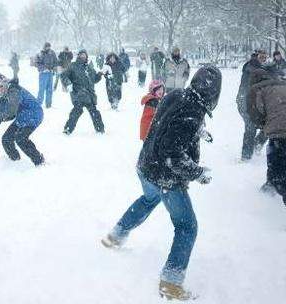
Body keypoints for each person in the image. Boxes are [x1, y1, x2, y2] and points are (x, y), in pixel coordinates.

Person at [101, 66, 222, 301]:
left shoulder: (177, 95)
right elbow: (172, 152)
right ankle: (171, 282)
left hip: (145, 166)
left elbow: (168, 123)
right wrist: (197, 173)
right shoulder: (192, 111)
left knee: (149, 198)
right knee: (187, 227)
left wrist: (199, 131)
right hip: (164, 175)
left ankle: (116, 235)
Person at [247, 69, 286, 231]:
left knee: (278, 170)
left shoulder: (256, 89)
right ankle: (270, 185)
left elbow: (255, 115)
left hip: (281, 132)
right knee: (276, 156)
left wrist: (266, 125)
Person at [0, 74, 45, 166]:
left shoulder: (13, 90)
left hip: (34, 114)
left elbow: (11, 111)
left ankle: (39, 161)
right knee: (6, 139)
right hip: (22, 117)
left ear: (2, 84)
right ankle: (15, 161)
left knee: (20, 138)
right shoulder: (2, 96)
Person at [62, 49, 106, 135]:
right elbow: (64, 76)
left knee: (94, 112)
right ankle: (68, 129)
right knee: (77, 111)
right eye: (81, 55)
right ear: (78, 56)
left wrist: (100, 75)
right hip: (78, 93)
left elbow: (94, 80)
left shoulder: (89, 68)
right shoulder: (73, 66)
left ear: (86, 56)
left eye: (84, 55)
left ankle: (100, 130)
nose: (83, 56)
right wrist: (68, 84)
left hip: (89, 95)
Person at [237, 50, 269, 161]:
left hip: (258, 103)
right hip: (245, 101)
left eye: (265, 56)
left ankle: (257, 143)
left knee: (270, 124)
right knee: (250, 126)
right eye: (261, 56)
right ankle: (246, 156)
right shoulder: (251, 67)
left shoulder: (264, 68)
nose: (264, 58)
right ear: (256, 57)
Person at [35, 42, 58, 108]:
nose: (48, 48)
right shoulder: (41, 54)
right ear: (44, 47)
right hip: (43, 74)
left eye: (49, 47)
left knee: (49, 89)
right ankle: (38, 104)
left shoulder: (52, 53)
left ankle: (48, 104)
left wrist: (54, 68)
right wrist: (43, 68)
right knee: (41, 89)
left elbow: (55, 62)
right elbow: (37, 63)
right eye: (47, 47)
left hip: (50, 73)